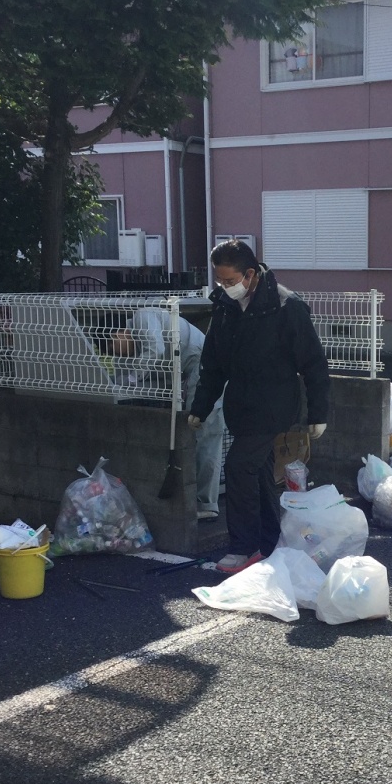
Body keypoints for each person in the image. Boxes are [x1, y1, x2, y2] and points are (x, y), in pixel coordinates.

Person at [188, 239, 330, 574]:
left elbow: (313, 363)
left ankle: (243, 548)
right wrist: (201, 406)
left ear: (250, 274)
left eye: (230, 280)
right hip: (242, 407)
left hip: (275, 406)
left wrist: (319, 413)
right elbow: (213, 363)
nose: (224, 287)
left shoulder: (285, 306)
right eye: (220, 281)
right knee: (263, 475)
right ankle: (270, 543)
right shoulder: (224, 306)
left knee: (238, 468)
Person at [113, 306, 225, 520]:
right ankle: (204, 501)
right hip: (196, 367)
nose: (115, 352)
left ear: (117, 332)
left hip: (204, 366)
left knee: (206, 435)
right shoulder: (136, 337)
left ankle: (207, 504)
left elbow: (155, 349)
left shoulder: (141, 318)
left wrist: (132, 378)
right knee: (203, 435)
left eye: (112, 346)